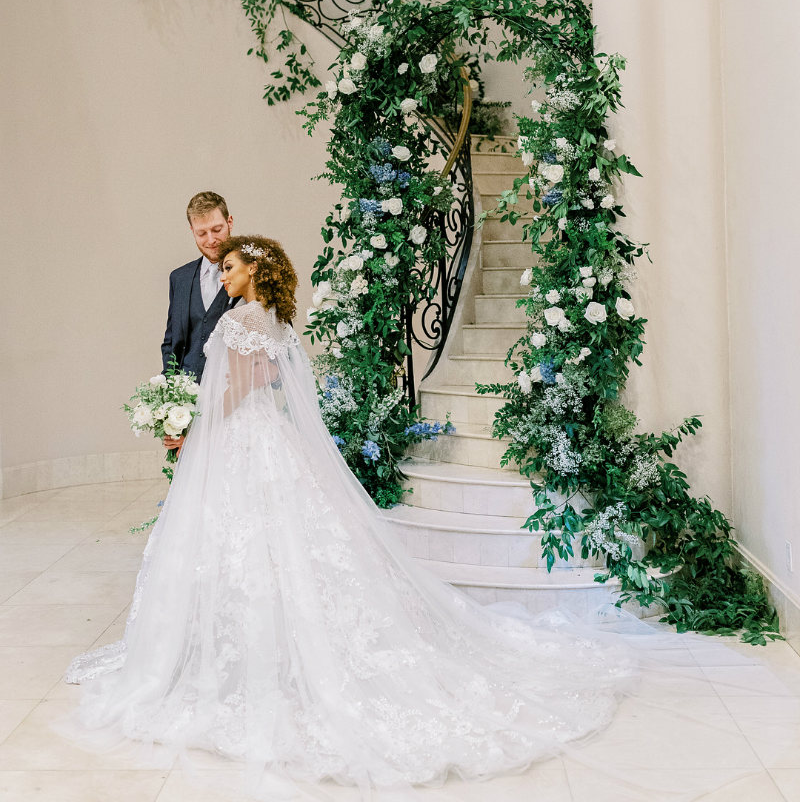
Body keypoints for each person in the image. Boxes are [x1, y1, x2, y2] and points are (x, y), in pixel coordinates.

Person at [63, 238, 789, 800]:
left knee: (246, 551)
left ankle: (241, 665)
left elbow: (236, 395)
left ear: (254, 269)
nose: (222, 275)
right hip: (273, 444)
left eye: (231, 267)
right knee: (285, 551)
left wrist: (192, 430)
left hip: (245, 444)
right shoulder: (277, 320)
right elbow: (279, 395)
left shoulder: (241, 328)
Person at [160, 191, 237, 383]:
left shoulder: (253, 271)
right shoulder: (179, 278)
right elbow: (171, 342)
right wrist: (170, 391)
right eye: (201, 233)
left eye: (217, 229)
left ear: (230, 222)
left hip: (233, 397)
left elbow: (273, 336)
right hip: (186, 398)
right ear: (192, 231)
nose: (210, 240)